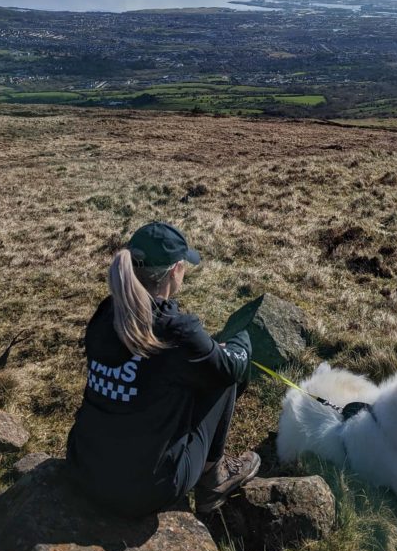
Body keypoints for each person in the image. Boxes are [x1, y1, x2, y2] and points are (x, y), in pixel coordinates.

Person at [66, 221, 260, 517]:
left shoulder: (106, 314)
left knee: (189, 373)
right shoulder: (177, 331)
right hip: (146, 490)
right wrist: (240, 341)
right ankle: (214, 477)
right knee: (221, 378)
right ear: (175, 270)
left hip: (84, 467)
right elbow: (230, 370)